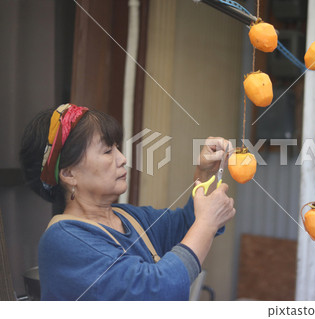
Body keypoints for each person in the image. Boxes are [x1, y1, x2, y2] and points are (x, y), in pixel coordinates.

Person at [19, 103, 236, 301]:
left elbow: (188, 224)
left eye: (117, 147)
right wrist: (206, 224)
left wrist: (205, 174)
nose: (122, 158)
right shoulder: (64, 240)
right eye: (107, 151)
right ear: (68, 174)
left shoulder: (129, 217)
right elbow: (155, 290)